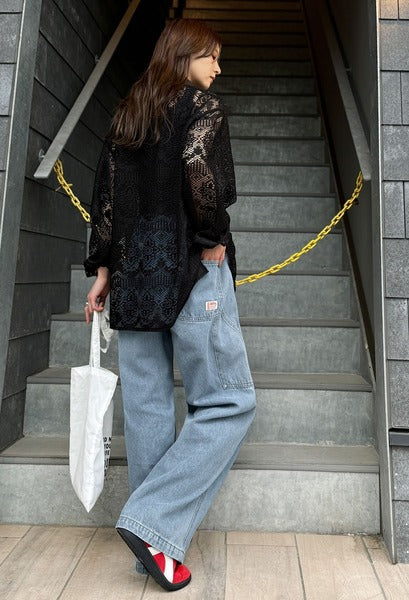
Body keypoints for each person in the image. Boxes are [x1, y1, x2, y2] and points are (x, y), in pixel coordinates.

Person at [83, 18, 256, 592]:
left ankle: (151, 551)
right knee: (230, 401)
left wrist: (102, 270)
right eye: (212, 57)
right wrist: (213, 238)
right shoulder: (201, 108)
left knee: (149, 412)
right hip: (188, 271)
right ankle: (152, 524)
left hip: (133, 280)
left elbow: (106, 195)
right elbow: (199, 169)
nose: (218, 69)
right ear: (185, 57)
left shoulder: (130, 111)